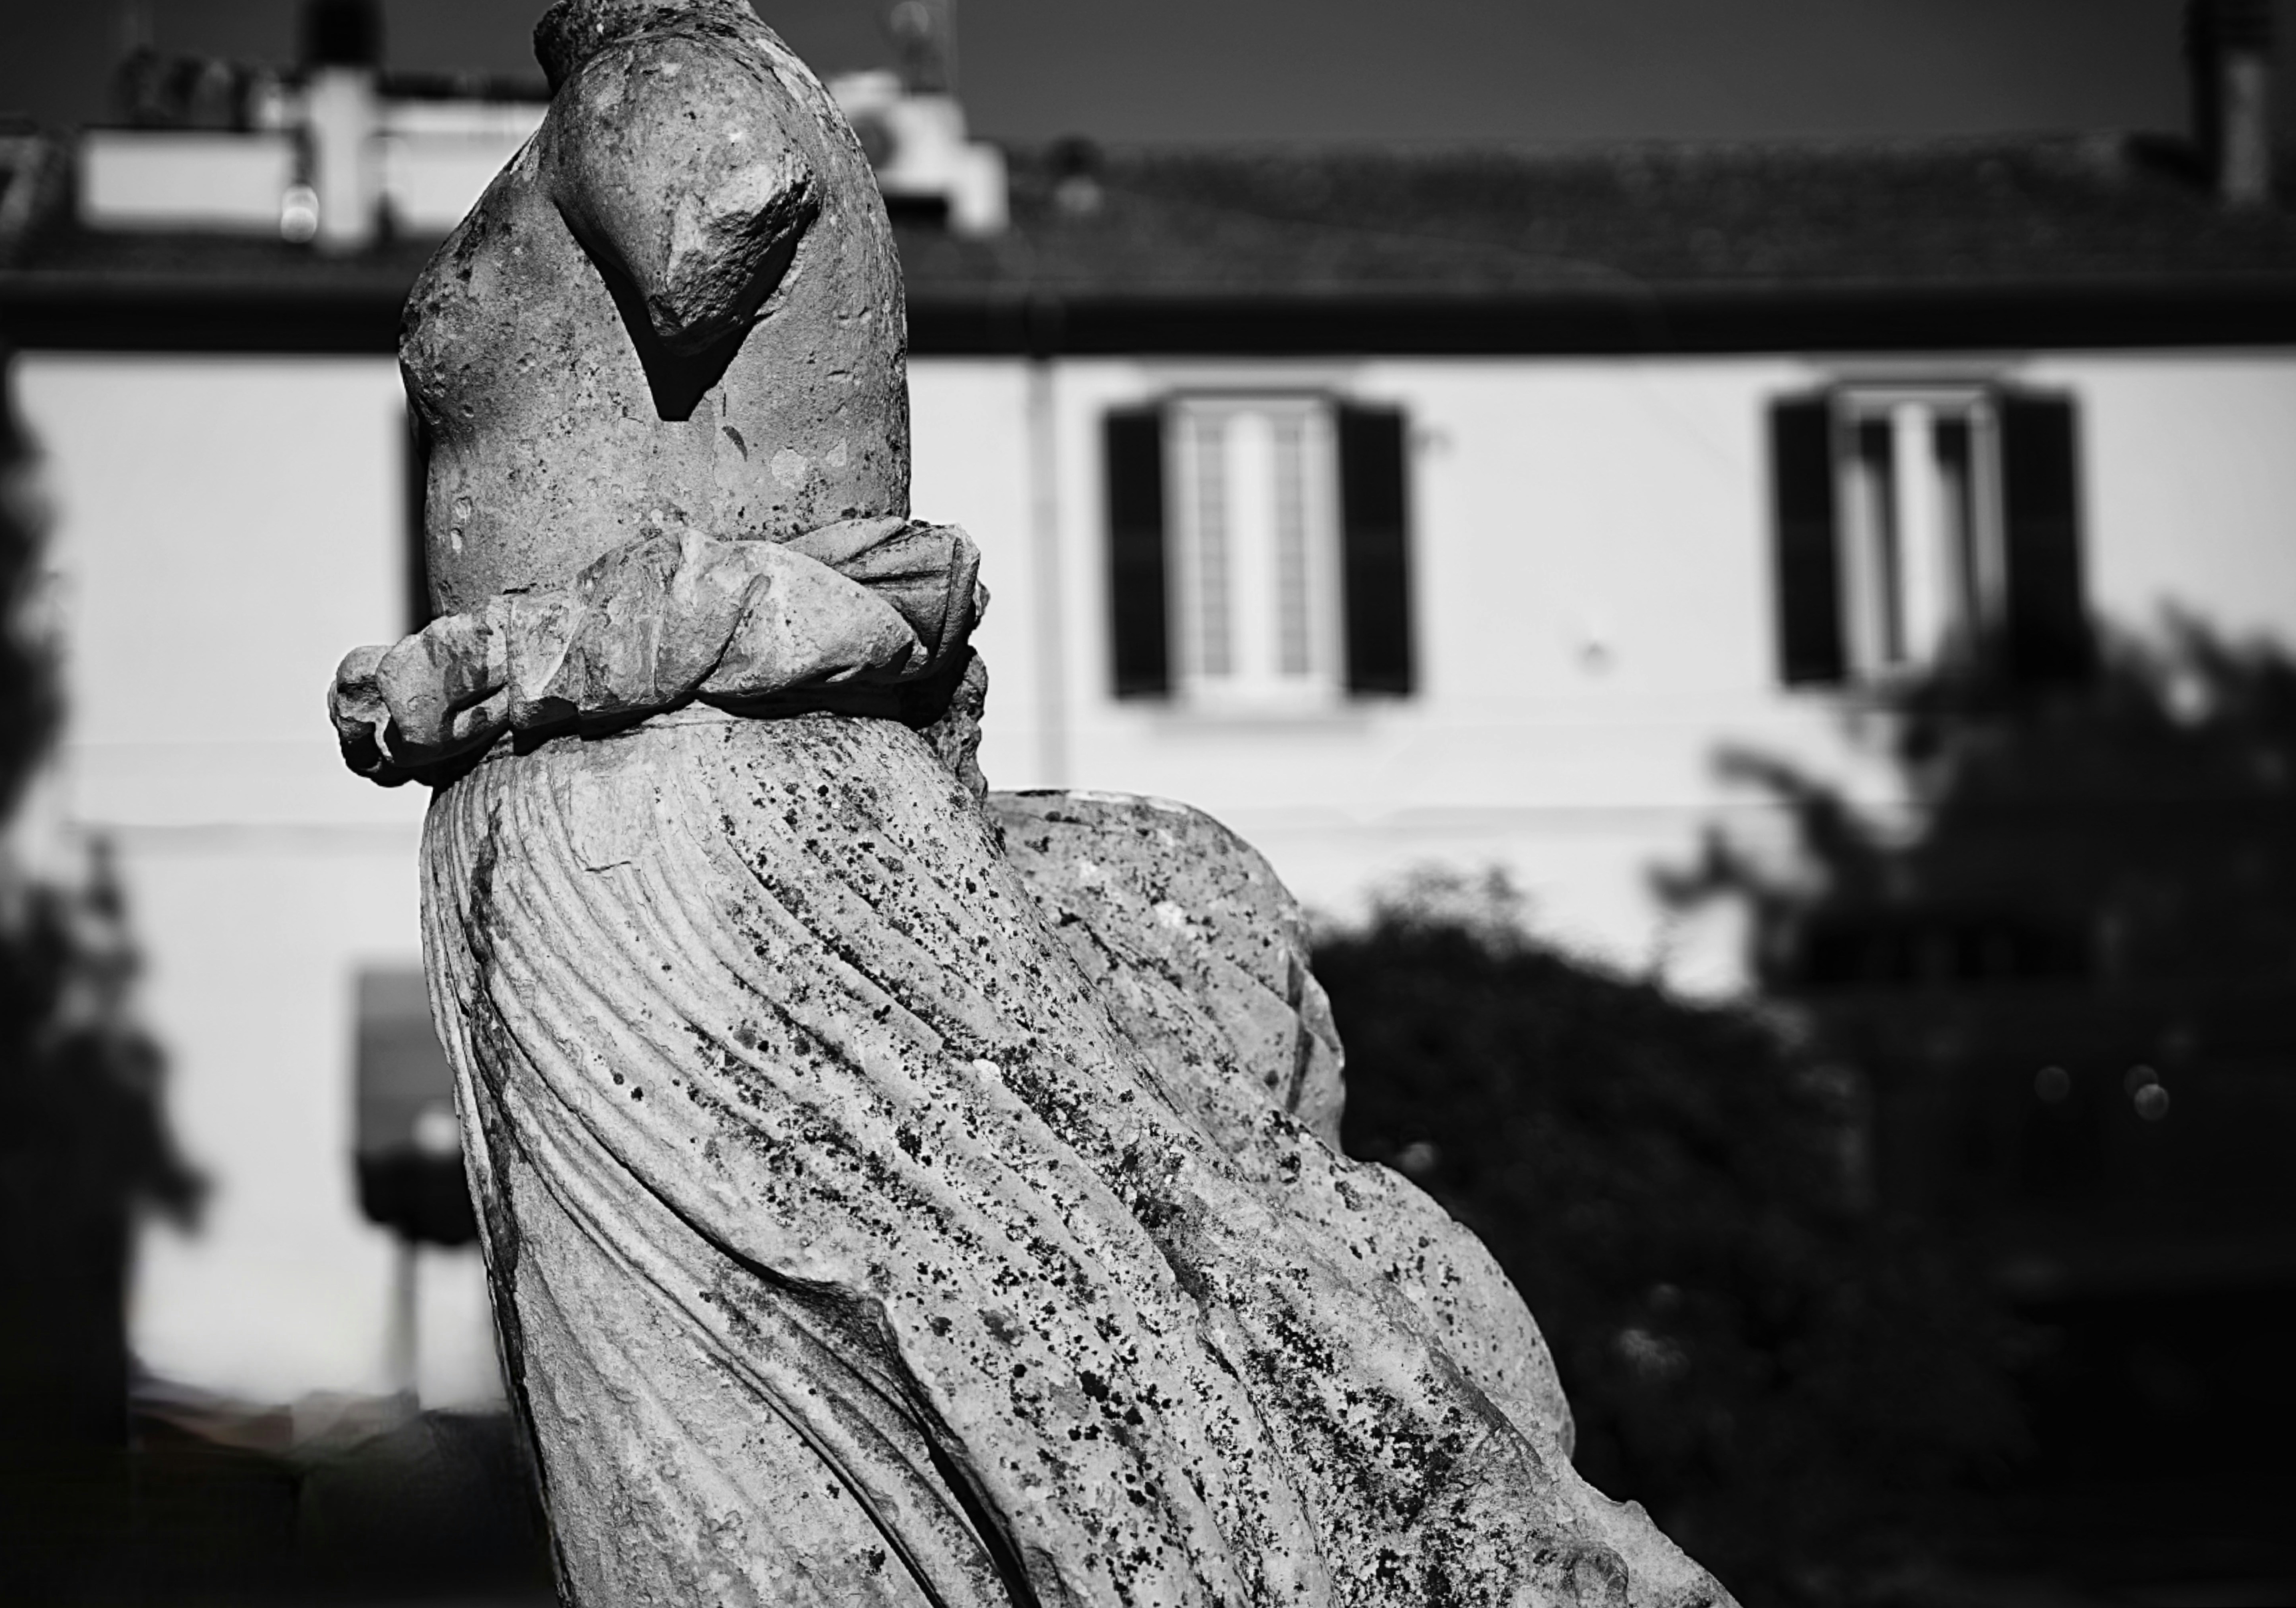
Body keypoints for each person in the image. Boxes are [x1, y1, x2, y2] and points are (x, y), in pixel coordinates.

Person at [332, 3, 1729, 1602]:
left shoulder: (660, 80)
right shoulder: (640, 82)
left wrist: (524, 645)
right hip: (615, 821)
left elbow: (712, 207)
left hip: (670, 838)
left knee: (743, 1492)